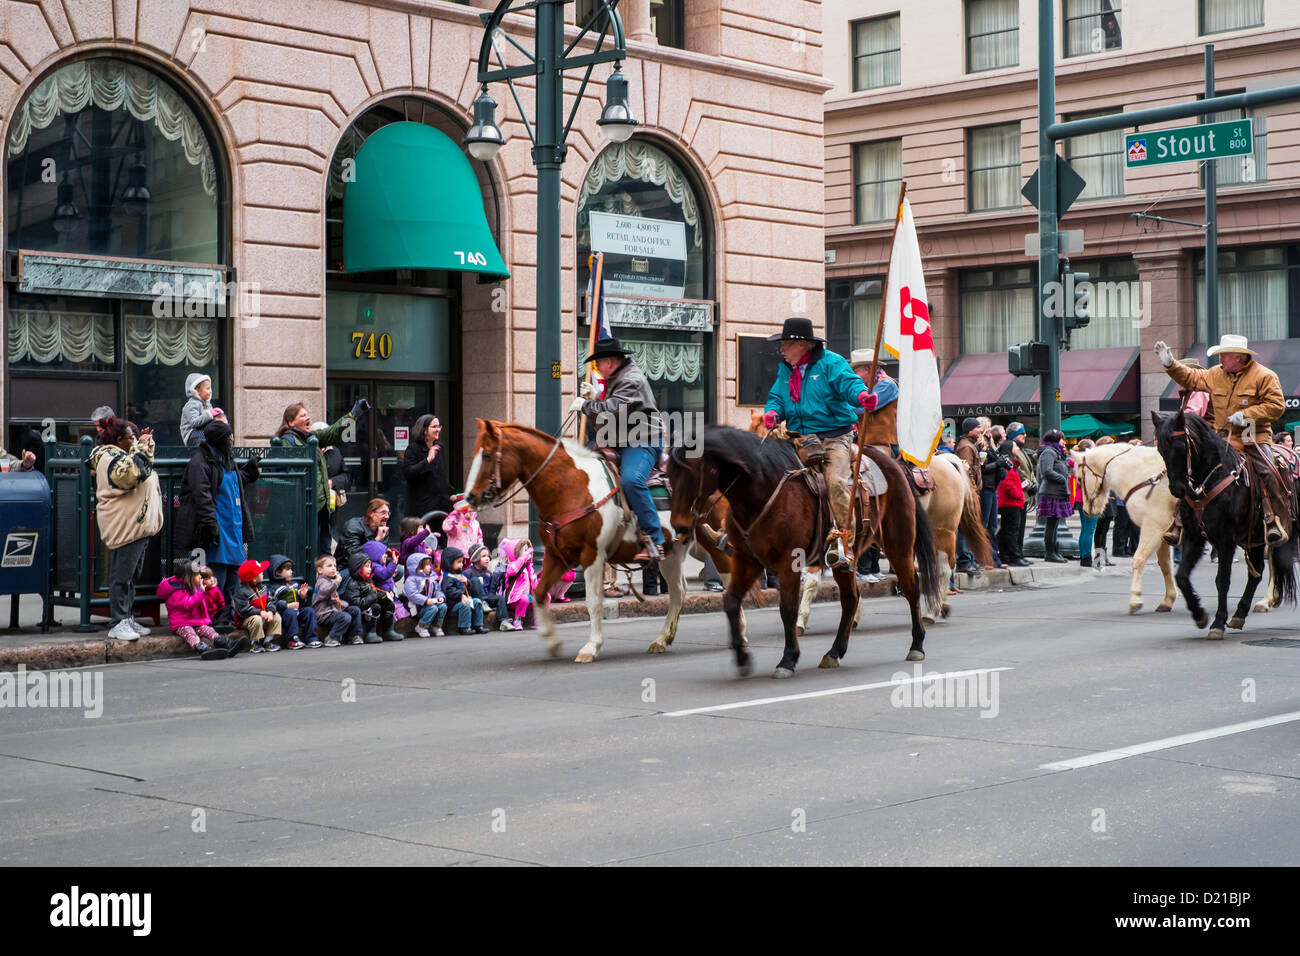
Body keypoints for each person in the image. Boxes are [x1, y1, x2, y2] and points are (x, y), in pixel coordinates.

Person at [760, 318, 877, 568]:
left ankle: (844, 543)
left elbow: (850, 384)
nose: (781, 349)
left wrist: (862, 396)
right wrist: (772, 412)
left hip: (834, 436)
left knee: (835, 482)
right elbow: (776, 398)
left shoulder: (831, 363)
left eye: (785, 344)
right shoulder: (786, 369)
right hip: (799, 437)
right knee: (764, 472)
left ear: (801, 344)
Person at [1155, 335, 1289, 544]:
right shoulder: (1215, 374)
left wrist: (1247, 415)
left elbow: (1277, 406)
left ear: (1239, 357)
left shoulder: (1265, 376)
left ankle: (1274, 520)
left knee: (1268, 471)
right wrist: (1171, 365)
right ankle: (1179, 522)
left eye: (1224, 355)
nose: (1220, 360)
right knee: (1193, 470)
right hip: (1223, 437)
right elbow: (1192, 378)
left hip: (1253, 436)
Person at [572, 336, 667, 562]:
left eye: (597, 364)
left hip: (643, 441)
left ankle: (656, 539)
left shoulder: (631, 379)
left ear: (608, 362)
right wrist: (596, 400)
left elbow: (613, 409)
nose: (597, 369)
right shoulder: (620, 377)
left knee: (631, 481)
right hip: (620, 439)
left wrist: (586, 405)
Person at [89, 417, 164, 641]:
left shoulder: (122, 454)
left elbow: (140, 467)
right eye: (131, 437)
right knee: (121, 576)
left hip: (136, 525)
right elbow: (130, 477)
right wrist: (141, 448)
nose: (134, 440)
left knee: (131, 576)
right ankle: (118, 621)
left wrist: (145, 447)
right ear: (118, 439)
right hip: (125, 525)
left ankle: (126, 617)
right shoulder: (109, 457)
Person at [175, 419, 260, 604]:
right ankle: (213, 618)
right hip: (216, 530)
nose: (232, 441)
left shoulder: (227, 459)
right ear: (220, 440)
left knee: (234, 579)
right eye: (229, 438)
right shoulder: (200, 462)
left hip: (233, 528)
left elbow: (232, 483)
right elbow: (202, 496)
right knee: (214, 578)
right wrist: (211, 526)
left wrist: (250, 471)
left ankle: (229, 615)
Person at [276, 399, 369, 557]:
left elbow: (334, 432)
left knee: (324, 549)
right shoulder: (287, 442)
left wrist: (353, 414)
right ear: (291, 422)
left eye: (308, 415)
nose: (308, 418)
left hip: (321, 507)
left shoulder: (310, 438)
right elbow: (291, 476)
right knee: (306, 551)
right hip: (304, 507)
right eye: (303, 415)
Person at [849, 348, 898, 582]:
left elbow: (866, 406)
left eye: (857, 371)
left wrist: (840, 406)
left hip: (881, 445)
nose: (855, 375)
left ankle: (869, 564)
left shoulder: (887, 385)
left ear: (868, 369)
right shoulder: (866, 385)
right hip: (863, 443)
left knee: (870, 496)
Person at [157, 559, 251, 660]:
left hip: (196, 622)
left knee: (208, 630)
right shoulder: (176, 592)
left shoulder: (194, 587)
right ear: (190, 578)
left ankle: (226, 643)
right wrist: (201, 593)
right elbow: (188, 604)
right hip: (181, 624)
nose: (201, 578)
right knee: (190, 634)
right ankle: (202, 649)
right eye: (198, 576)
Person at [403, 414, 454, 521]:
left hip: (441, 507)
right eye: (434, 427)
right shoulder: (413, 449)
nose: (438, 430)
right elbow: (408, 473)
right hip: (422, 509)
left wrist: (451, 494)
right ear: (424, 430)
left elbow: (441, 476)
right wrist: (428, 460)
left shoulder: (440, 448)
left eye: (439, 426)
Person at [1035, 429, 1072, 563]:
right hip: (1051, 492)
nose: (1064, 441)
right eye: (1062, 439)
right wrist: (1062, 478)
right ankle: (1050, 553)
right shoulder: (1049, 452)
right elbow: (1047, 471)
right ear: (1056, 439)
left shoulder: (1056, 452)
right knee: (1051, 524)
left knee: (1055, 524)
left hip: (1058, 492)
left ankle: (1054, 551)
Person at [232, 559, 283, 653]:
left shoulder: (263, 587)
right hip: (246, 619)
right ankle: (255, 643)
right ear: (253, 578)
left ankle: (268, 641)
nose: (263, 573)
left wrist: (271, 611)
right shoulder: (242, 593)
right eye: (261, 572)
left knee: (277, 617)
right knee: (256, 619)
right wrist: (260, 612)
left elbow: (270, 600)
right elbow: (243, 610)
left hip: (264, 615)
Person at [268, 554, 318, 649]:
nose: (291, 572)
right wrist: (286, 605)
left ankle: (311, 638)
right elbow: (272, 603)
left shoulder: (295, 584)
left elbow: (303, 603)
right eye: (287, 569)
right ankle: (292, 639)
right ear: (277, 572)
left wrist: (303, 597)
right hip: (284, 614)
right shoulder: (274, 588)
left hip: (297, 612)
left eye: (291, 569)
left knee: (309, 611)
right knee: (290, 613)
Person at [335, 497, 391, 576]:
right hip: (347, 568)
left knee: (397, 570)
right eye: (383, 513)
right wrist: (376, 540)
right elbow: (352, 555)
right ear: (371, 513)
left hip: (371, 566)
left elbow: (382, 556)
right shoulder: (353, 526)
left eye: (388, 513)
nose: (387, 516)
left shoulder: (383, 530)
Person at [312, 555, 360, 647]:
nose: (333, 568)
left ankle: (354, 636)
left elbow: (335, 599)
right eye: (329, 566)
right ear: (320, 570)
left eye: (334, 566)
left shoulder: (330, 581)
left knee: (355, 610)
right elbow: (325, 591)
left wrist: (345, 604)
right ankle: (332, 638)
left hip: (333, 611)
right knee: (345, 617)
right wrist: (337, 581)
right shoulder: (321, 582)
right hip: (324, 614)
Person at [996, 438, 1029, 567]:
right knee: (1011, 531)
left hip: (1010, 502)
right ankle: (1013, 556)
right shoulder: (1007, 464)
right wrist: (1019, 495)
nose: (1018, 449)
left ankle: (1006, 555)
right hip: (1010, 503)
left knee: (1007, 530)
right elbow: (1008, 484)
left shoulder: (1011, 463)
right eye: (1015, 447)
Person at [440, 547, 488, 634]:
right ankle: (464, 627)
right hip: (453, 606)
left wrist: (467, 583)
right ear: (449, 563)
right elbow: (448, 590)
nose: (461, 564)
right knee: (464, 605)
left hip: (465, 599)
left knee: (477, 601)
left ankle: (478, 625)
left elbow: (467, 588)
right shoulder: (447, 577)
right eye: (458, 562)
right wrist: (460, 595)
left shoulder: (459, 574)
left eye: (462, 562)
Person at [404, 552, 448, 637]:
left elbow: (437, 589)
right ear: (418, 566)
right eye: (426, 565)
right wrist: (425, 600)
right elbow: (413, 594)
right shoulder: (411, 580)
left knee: (443, 606)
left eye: (429, 564)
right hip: (418, 607)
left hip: (430, 603)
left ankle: (437, 626)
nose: (429, 567)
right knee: (433, 608)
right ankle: (422, 626)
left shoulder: (431, 577)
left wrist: (440, 597)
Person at [498, 538, 538, 631]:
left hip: (528, 598)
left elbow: (533, 582)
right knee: (524, 599)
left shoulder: (528, 567)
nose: (527, 553)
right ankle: (517, 620)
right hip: (514, 600)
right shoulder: (511, 565)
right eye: (524, 550)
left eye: (528, 550)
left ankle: (536, 620)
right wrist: (523, 558)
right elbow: (514, 571)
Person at [1073, 438, 1099, 568]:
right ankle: (1086, 557)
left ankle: (1084, 555)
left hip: (1080, 498)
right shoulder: (1088, 463)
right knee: (1089, 529)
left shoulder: (1078, 462)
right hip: (1090, 498)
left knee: (1085, 529)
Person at [179, 374, 224, 447]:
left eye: (210, 388)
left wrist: (218, 418)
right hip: (191, 434)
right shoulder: (192, 404)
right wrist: (210, 414)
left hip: (203, 431)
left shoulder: (208, 404)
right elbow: (194, 422)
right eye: (207, 388)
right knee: (207, 439)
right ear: (197, 391)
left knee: (221, 435)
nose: (210, 391)